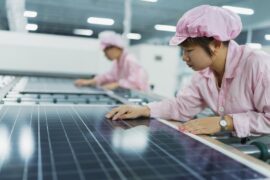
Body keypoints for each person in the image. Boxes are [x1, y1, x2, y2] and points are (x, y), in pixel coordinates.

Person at [106, 5, 270, 138]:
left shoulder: (258, 64)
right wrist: (144, 110)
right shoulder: (204, 74)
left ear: (216, 44)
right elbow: (182, 105)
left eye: (188, 50)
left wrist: (225, 122)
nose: (184, 58)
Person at [74, 31, 149, 91]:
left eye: (106, 51)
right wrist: (89, 82)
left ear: (115, 47)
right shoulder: (118, 62)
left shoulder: (130, 60)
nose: (105, 55)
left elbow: (136, 82)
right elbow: (109, 76)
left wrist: (116, 84)